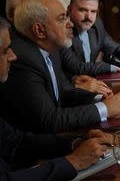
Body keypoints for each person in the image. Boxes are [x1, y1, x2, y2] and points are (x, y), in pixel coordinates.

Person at [0, 15, 114, 180]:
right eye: (4, 51)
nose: (13, 56)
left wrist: (76, 142)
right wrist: (74, 161)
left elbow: (16, 143)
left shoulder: (51, 52)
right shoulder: (26, 59)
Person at [0, 0, 120, 133]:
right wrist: (105, 109)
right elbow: (50, 120)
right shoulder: (23, 60)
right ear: (39, 30)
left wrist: (97, 98)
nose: (70, 24)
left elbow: (63, 93)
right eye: (62, 18)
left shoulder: (51, 49)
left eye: (67, 16)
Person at [5, 0, 112, 97]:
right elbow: (49, 111)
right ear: (12, 15)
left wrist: (72, 81)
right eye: (30, 3)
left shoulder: (51, 45)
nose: (69, 24)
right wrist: (105, 108)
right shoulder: (19, 55)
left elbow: (58, 83)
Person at [61, 0, 120, 77]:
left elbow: (114, 48)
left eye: (93, 11)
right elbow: (77, 67)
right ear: (69, 10)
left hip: (92, 82)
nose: (89, 17)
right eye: (83, 10)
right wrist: (114, 67)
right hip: (71, 85)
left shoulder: (96, 25)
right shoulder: (62, 30)